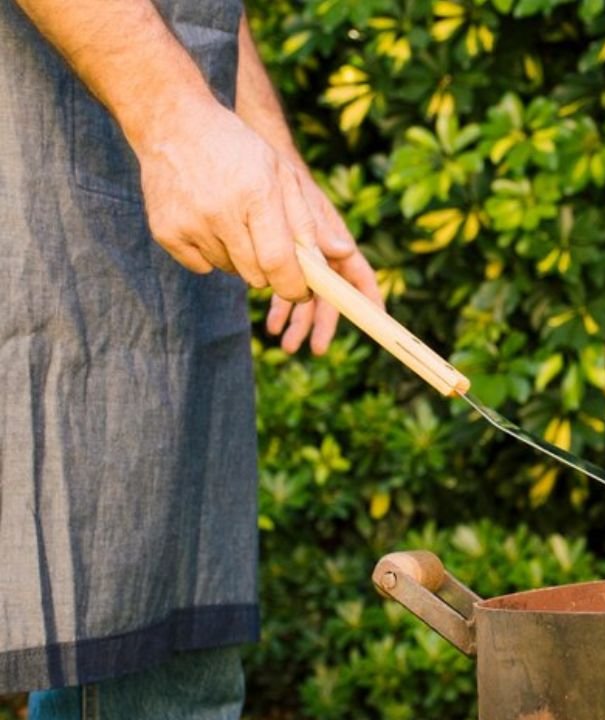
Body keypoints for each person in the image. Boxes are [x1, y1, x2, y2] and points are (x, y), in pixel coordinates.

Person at [0, 0, 382, 716]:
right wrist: (175, 119)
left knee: (157, 634)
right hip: (28, 187)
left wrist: (272, 165)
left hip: (154, 258)